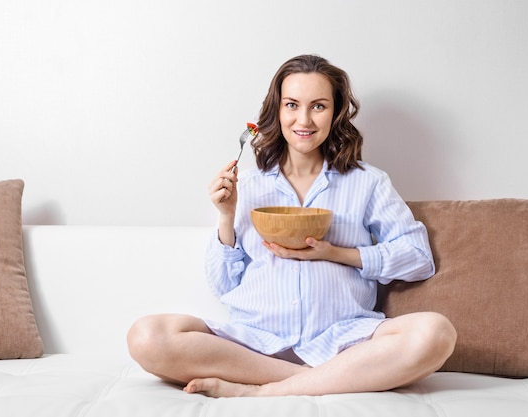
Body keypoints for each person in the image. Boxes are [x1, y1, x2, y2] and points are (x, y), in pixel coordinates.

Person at [127, 54, 456, 398]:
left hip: (344, 341)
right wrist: (226, 215)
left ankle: (262, 392)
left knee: (436, 332)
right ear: (277, 110)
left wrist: (337, 253)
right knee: (146, 336)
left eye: (318, 106)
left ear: (336, 112)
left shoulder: (368, 183)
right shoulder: (248, 187)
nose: (304, 119)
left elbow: (419, 258)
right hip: (254, 345)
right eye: (292, 105)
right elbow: (224, 285)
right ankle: (323, 379)